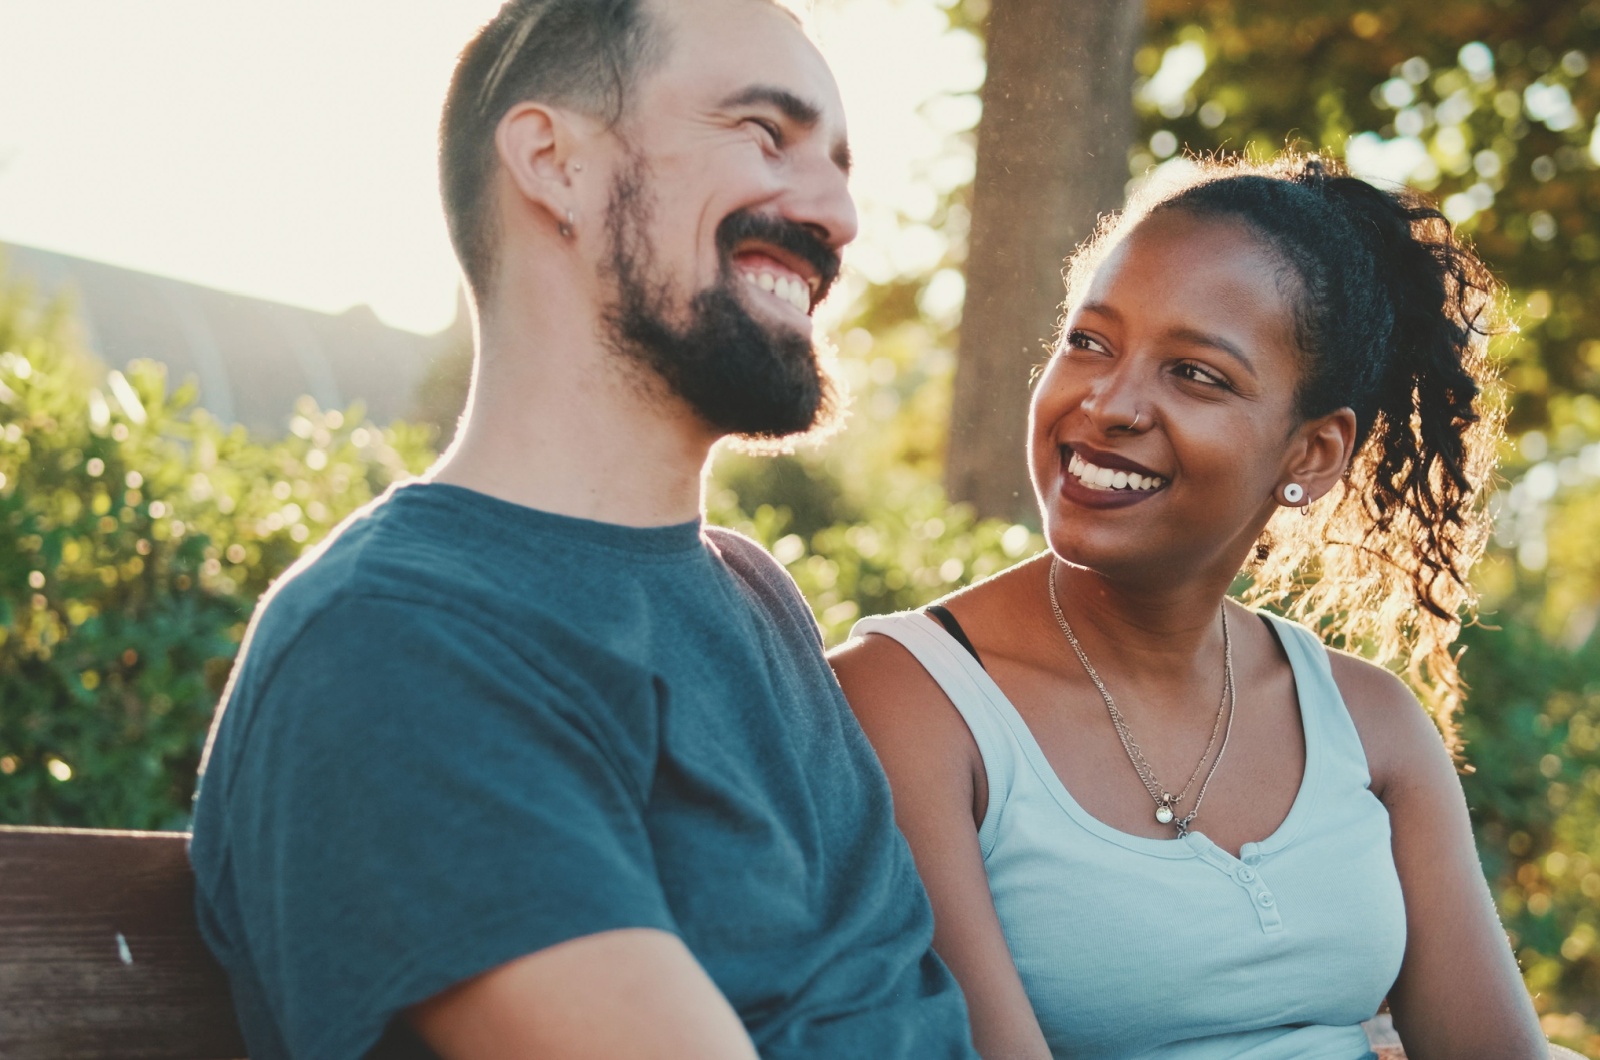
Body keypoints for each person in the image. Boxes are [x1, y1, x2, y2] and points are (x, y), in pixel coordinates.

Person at [188, 1, 978, 1057]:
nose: (838, 213)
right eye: (762, 132)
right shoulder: (396, 640)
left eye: (837, 162)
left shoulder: (752, 600)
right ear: (554, 162)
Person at [832, 154, 1550, 1059]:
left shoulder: (1368, 724)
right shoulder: (913, 704)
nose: (1110, 402)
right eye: (1089, 342)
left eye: (1196, 374)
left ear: (1313, 454)